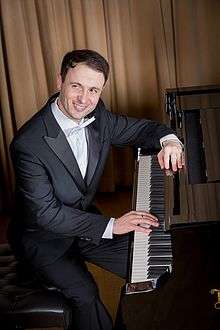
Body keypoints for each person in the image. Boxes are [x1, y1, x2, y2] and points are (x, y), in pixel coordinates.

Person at [8, 49, 184, 330]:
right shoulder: (28, 144)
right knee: (86, 295)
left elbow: (142, 129)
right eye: (76, 86)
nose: (84, 99)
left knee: (154, 265)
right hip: (43, 241)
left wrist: (170, 140)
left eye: (94, 90)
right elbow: (46, 215)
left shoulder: (98, 114)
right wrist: (113, 224)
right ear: (59, 82)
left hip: (86, 226)